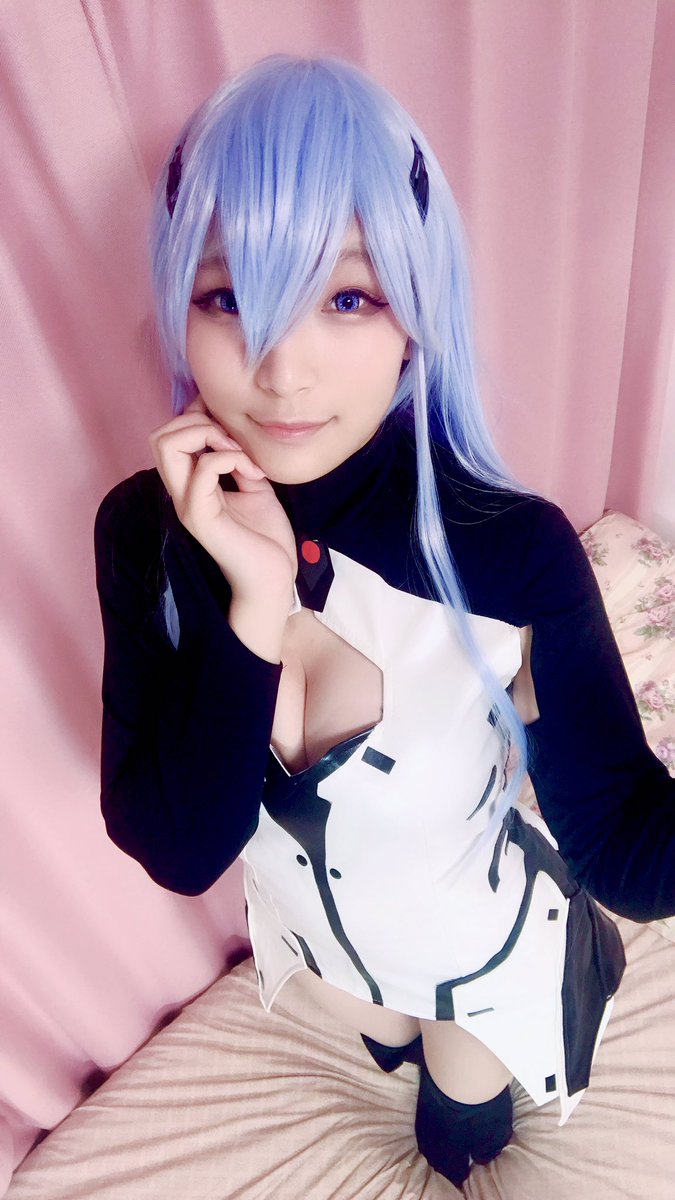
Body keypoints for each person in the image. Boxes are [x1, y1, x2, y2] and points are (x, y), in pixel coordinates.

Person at [94, 54, 675, 1186]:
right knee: (380, 1030)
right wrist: (252, 605)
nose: (281, 368)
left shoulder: (507, 550)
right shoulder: (143, 531)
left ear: (415, 316)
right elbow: (179, 845)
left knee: (459, 1133)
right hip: (321, 951)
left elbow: (621, 843)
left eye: (348, 298)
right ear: (179, 310)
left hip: (472, 961)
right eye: (227, 297)